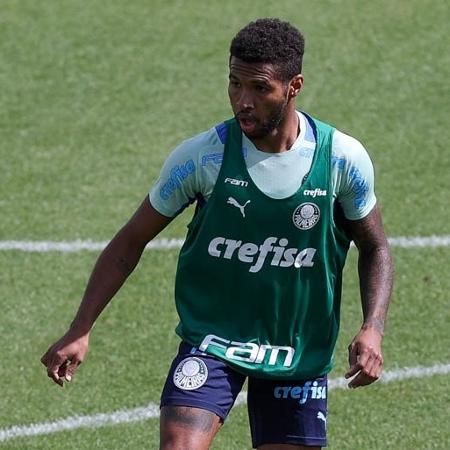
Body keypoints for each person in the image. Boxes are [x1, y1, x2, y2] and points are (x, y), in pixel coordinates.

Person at [41, 18, 394, 449]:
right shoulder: (202, 157)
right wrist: (81, 327)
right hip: (213, 341)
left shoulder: (342, 159)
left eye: (259, 88)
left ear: (294, 85)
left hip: (297, 351)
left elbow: (375, 247)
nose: (243, 101)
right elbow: (129, 241)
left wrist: (372, 327)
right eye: (234, 84)